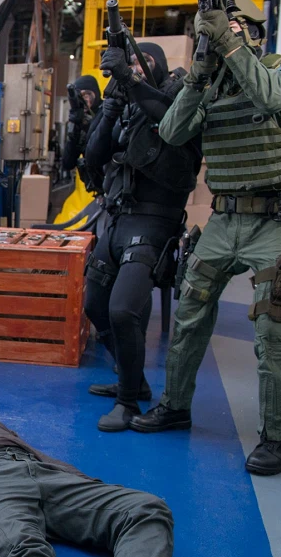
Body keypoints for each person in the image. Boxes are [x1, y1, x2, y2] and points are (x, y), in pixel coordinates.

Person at [132, 0, 281, 476]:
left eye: (230, 27)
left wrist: (229, 44)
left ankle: (276, 437)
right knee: (191, 313)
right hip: (225, 219)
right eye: (214, 29)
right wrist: (199, 76)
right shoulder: (213, 85)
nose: (220, 35)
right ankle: (175, 406)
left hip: (275, 218)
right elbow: (173, 132)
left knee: (272, 326)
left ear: (254, 31)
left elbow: (268, 97)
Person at [81, 41, 202, 432]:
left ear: (162, 67)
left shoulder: (181, 96)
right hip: (118, 217)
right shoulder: (128, 106)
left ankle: (128, 401)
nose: (135, 67)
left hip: (153, 221)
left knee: (123, 309)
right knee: (96, 305)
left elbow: (171, 124)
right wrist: (111, 105)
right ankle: (133, 378)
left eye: (144, 61)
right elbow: (94, 154)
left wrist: (130, 81)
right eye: (131, 61)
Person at [0, 403, 174, 557]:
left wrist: (88, 488)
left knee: (144, 510)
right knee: (21, 548)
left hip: (41, 472)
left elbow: (47, 459)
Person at [61, 75, 103, 183]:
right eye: (81, 95)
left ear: (97, 94)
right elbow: (68, 163)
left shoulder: (106, 114)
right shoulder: (78, 119)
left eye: (88, 94)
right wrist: (75, 127)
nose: (85, 99)